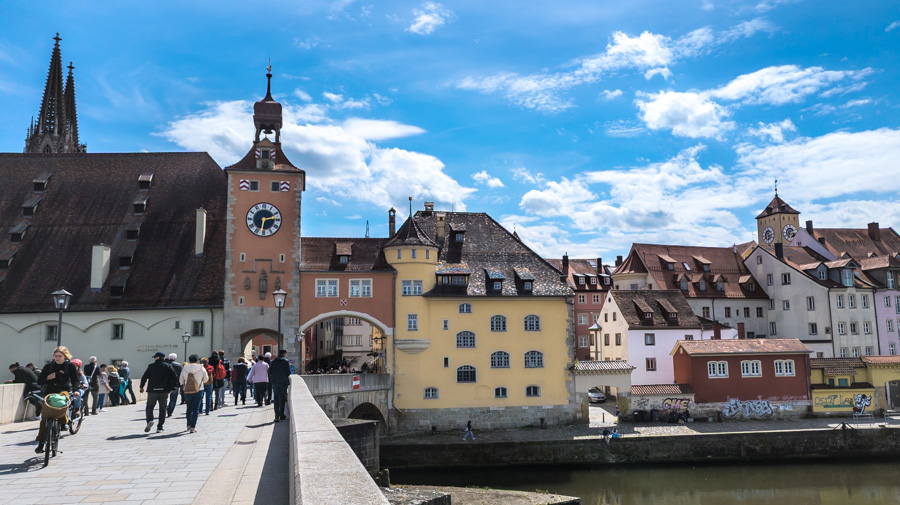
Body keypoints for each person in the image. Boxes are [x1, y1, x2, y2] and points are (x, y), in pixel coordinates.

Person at [34, 347, 80, 453]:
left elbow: (75, 379)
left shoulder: (70, 366)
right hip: (50, 393)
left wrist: (76, 390)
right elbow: (39, 381)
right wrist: (47, 378)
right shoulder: (48, 367)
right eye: (55, 356)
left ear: (65, 356)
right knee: (45, 418)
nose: (57, 358)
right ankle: (41, 443)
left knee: (60, 403)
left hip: (64, 391)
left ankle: (64, 422)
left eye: (60, 356)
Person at [139, 351, 177, 433]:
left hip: (152, 390)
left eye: (155, 357)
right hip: (164, 391)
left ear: (158, 357)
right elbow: (175, 377)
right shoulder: (168, 366)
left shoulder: (151, 366)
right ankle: (160, 427)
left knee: (149, 407)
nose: (154, 358)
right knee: (162, 409)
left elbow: (144, 377)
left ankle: (149, 420)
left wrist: (141, 386)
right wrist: (172, 387)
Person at [180, 354, 208, 433]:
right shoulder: (202, 368)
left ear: (189, 360)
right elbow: (206, 380)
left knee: (189, 408)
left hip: (187, 391)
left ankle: (188, 425)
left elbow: (181, 381)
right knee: (196, 409)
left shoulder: (185, 369)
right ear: (197, 361)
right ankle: (193, 427)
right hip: (199, 390)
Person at [269, 349, 291, 422]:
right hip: (283, 382)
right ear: (284, 354)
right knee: (282, 398)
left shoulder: (273, 362)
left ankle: (276, 415)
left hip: (275, 382)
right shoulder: (286, 362)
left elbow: (269, 371)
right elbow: (288, 372)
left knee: (276, 398)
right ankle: (281, 414)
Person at [165, 353, 183, 418]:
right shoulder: (179, 365)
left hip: (165, 384)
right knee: (173, 399)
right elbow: (181, 375)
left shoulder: (165, 364)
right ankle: (170, 411)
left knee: (164, 398)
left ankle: (164, 409)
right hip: (175, 384)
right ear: (175, 358)